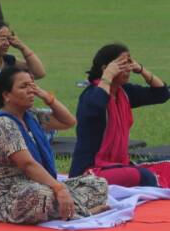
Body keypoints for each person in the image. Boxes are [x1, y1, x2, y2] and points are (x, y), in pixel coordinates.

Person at [0, 67, 108, 224]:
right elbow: (27, 165)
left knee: (97, 183)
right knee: (41, 195)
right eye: (23, 87)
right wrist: (59, 188)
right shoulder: (3, 123)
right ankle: (82, 212)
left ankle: (69, 208)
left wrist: (47, 97)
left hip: (34, 184)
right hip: (5, 196)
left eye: (32, 86)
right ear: (6, 95)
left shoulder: (31, 117)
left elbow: (69, 121)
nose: (30, 91)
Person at [69, 44, 169, 187]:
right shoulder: (90, 95)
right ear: (106, 68)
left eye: (129, 62)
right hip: (89, 173)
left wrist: (140, 69)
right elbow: (98, 104)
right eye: (122, 64)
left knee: (167, 165)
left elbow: (162, 94)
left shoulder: (124, 92)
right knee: (144, 176)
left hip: (118, 165)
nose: (128, 68)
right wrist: (108, 75)